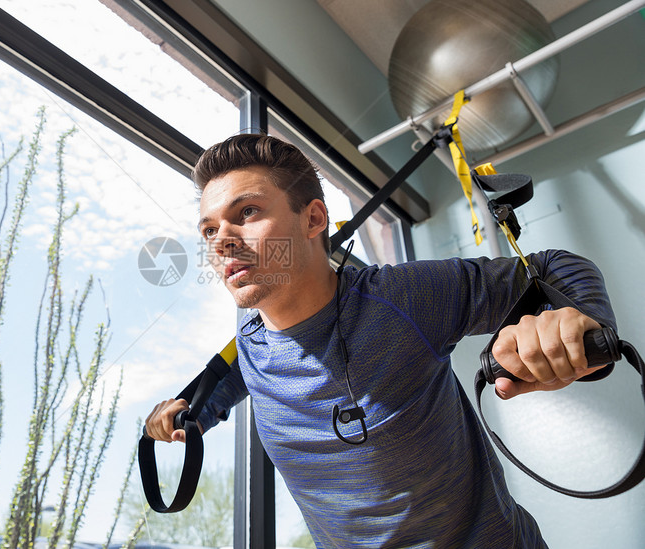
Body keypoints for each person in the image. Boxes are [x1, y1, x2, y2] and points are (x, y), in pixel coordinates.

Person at [144, 133, 615, 548]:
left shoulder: (401, 298)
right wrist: (187, 416)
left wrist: (579, 322)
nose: (222, 240)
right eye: (209, 229)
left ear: (313, 220)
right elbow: (221, 386)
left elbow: (555, 266)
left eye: (246, 212)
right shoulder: (248, 346)